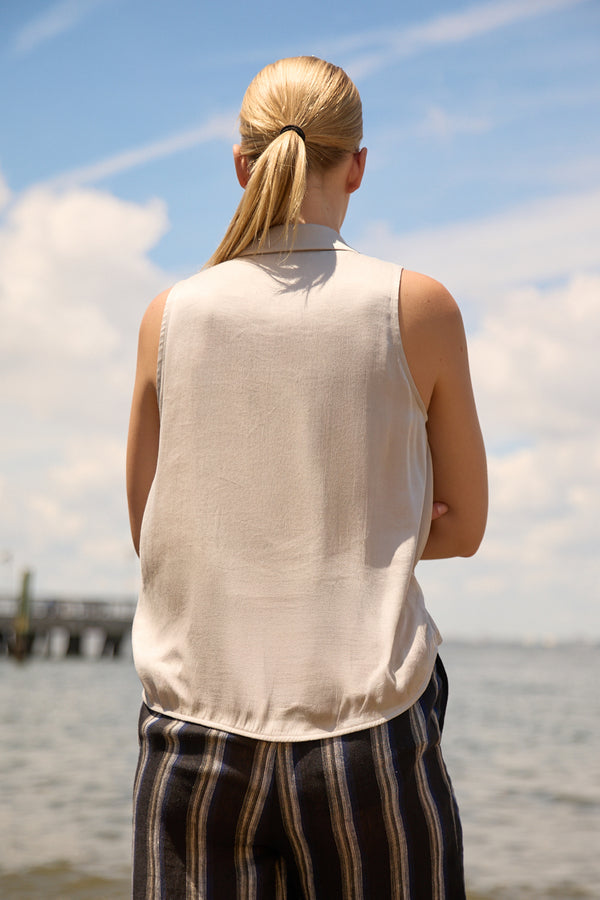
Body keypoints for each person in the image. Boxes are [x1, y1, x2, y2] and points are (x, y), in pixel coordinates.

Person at [126, 56, 487, 900]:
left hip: (193, 747)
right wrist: (361, 533)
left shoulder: (168, 317)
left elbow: (154, 532)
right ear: (357, 162)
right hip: (370, 738)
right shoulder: (418, 306)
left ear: (242, 164)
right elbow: (463, 526)